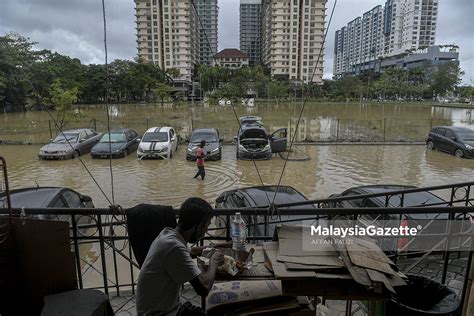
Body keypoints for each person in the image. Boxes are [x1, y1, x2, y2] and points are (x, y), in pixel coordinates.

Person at [136, 197, 224, 316]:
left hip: (170, 308)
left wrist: (218, 247)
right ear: (199, 225)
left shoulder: (168, 234)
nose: (205, 232)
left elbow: (191, 251)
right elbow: (204, 288)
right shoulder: (173, 247)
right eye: (206, 226)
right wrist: (214, 261)